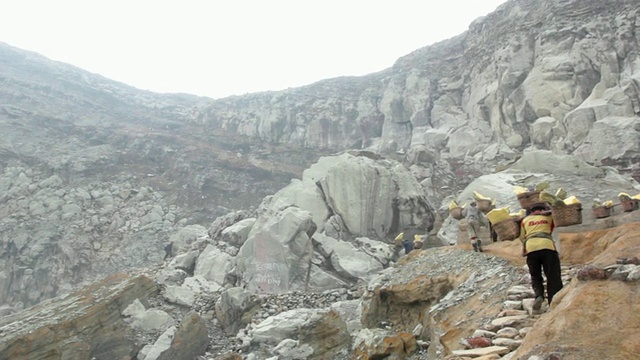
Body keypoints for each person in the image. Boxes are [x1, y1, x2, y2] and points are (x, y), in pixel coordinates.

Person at [519, 203, 563, 310]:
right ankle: (553, 300)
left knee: (535, 275)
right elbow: (554, 226)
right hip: (547, 246)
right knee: (553, 275)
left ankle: (539, 295)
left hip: (531, 248)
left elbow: (522, 237)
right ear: (543, 209)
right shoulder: (549, 217)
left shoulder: (525, 221)